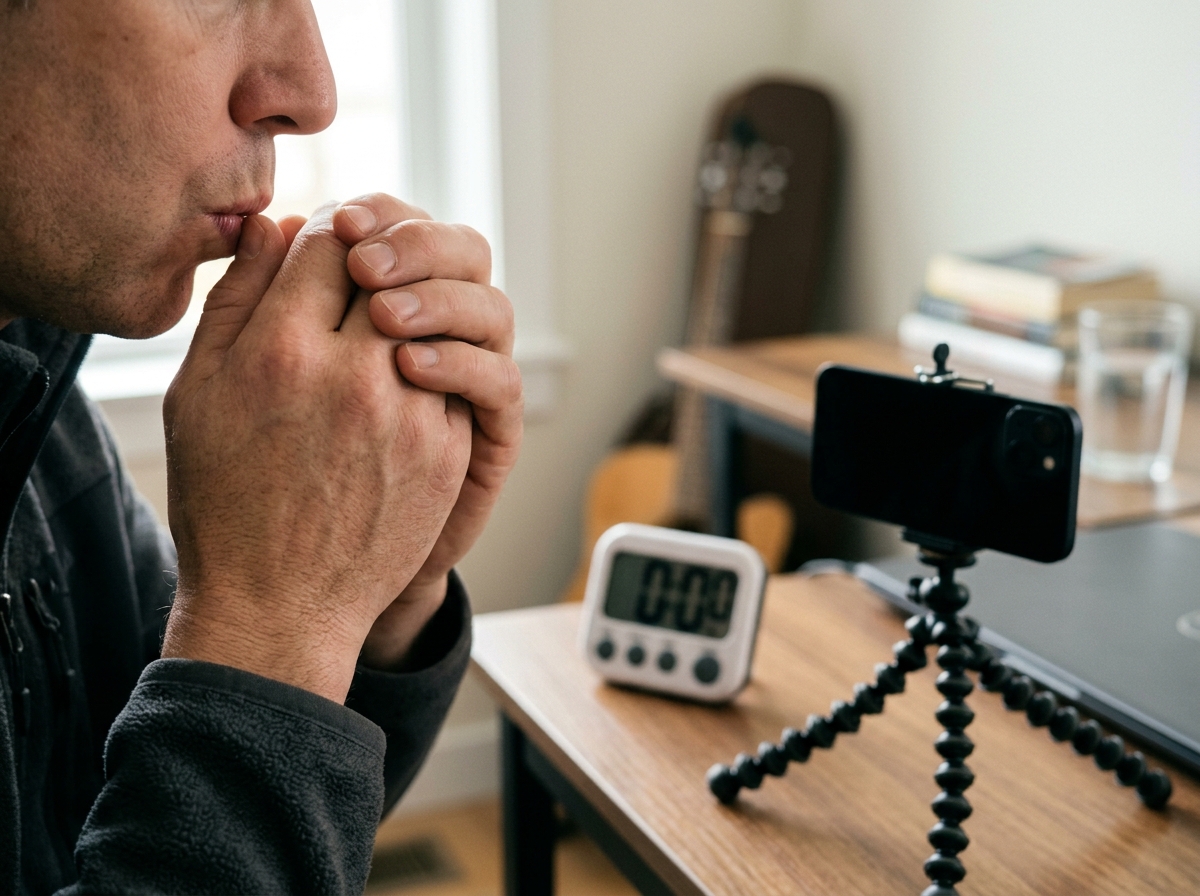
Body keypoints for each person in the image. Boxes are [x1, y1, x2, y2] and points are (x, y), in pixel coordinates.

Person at [0, 1, 523, 893]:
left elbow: (205, 820)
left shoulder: (42, 400)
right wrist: (278, 627)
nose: (312, 94)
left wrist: (368, 594)